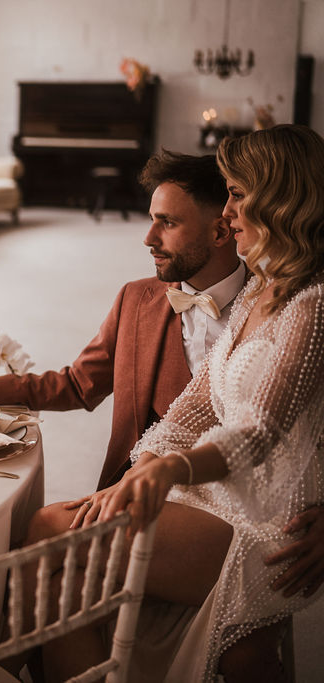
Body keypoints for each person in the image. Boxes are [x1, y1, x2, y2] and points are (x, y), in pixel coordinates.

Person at [45, 125, 324, 681]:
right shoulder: (255, 292)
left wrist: (173, 467)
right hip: (214, 495)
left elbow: (257, 428)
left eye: (238, 194)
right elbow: (195, 408)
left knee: (61, 554)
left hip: (265, 525)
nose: (227, 211)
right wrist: (147, 464)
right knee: (56, 530)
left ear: (280, 199)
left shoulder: (312, 304)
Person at [0, 150, 245, 490]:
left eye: (168, 223)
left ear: (220, 232)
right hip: (136, 488)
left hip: (235, 494)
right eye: (152, 219)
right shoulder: (137, 300)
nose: (148, 239)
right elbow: (79, 384)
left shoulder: (276, 308)